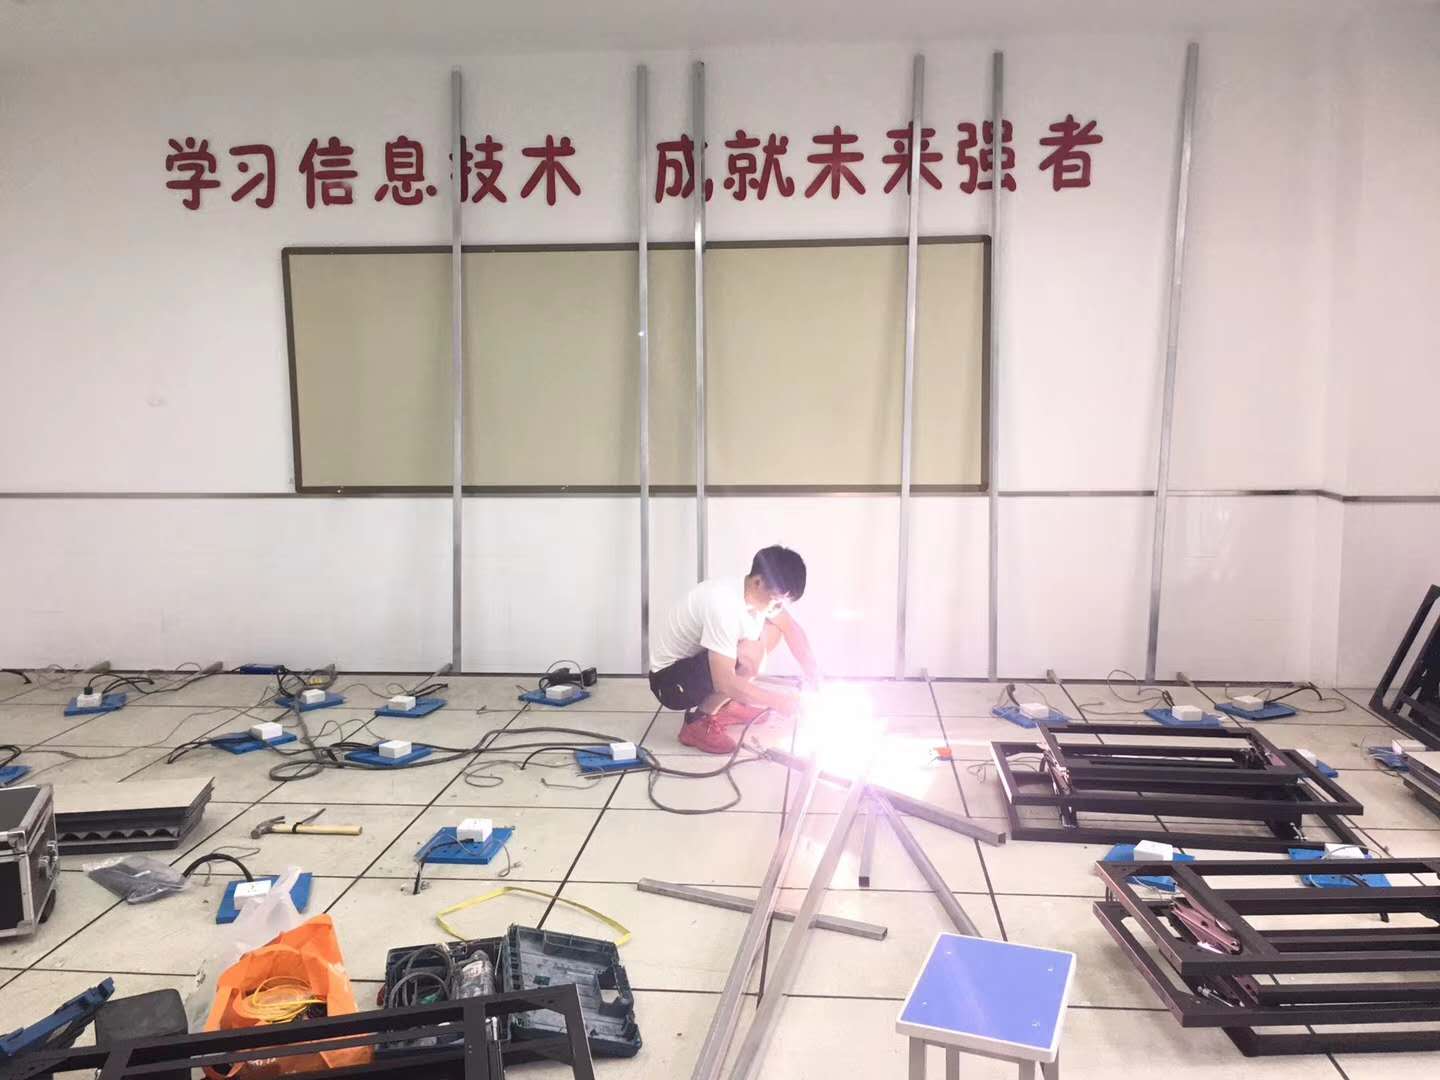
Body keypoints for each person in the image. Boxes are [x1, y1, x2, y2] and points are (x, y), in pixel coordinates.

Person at [648, 545, 822, 754]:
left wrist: (813, 673)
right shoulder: (723, 605)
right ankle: (697, 723)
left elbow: (791, 628)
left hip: (695, 662)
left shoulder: (752, 592)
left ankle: (726, 705)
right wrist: (778, 701)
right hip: (669, 681)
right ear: (758, 582)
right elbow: (724, 681)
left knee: (775, 628)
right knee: (750, 655)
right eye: (776, 601)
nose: (778, 607)